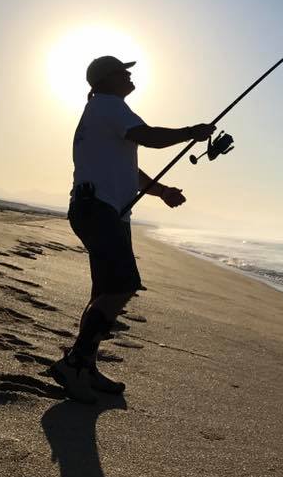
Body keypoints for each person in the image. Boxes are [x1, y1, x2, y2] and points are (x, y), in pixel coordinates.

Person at [51, 55, 214, 403]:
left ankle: (87, 367)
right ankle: (75, 363)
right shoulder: (109, 105)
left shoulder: (101, 112)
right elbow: (150, 137)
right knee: (122, 285)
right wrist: (192, 133)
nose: (128, 74)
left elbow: (131, 173)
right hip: (100, 210)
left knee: (104, 292)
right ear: (106, 79)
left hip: (99, 209)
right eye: (122, 71)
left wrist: (162, 191)